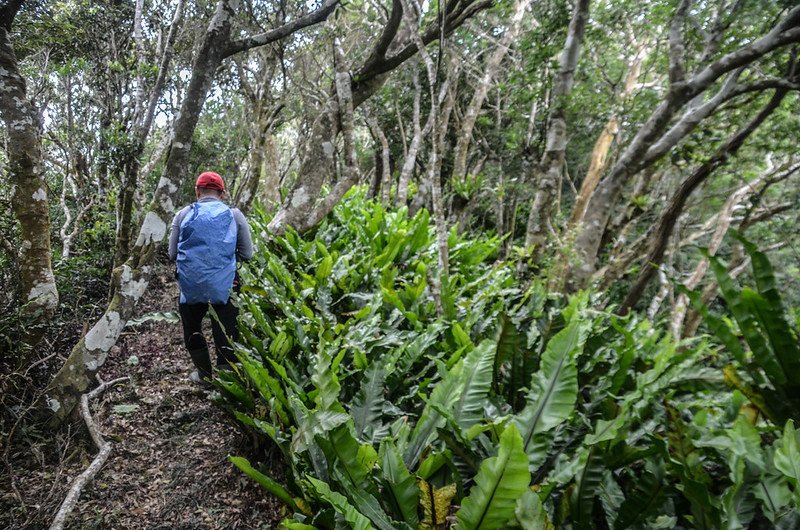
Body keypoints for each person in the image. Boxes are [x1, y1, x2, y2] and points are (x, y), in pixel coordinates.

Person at [168, 171, 253, 385]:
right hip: (226, 285)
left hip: (191, 286)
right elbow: (247, 254)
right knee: (226, 331)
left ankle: (204, 376)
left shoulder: (182, 214)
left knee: (193, 328)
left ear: (197, 191)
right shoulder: (234, 215)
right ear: (222, 194)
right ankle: (226, 382)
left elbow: (171, 254)